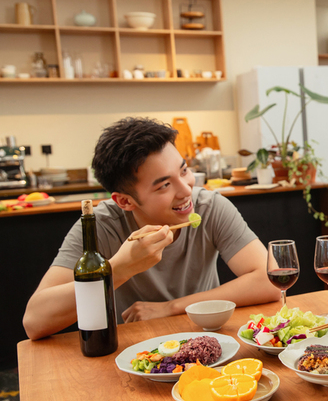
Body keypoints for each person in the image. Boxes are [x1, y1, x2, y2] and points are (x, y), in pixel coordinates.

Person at [23, 117, 280, 340]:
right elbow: (35, 321)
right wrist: (121, 267)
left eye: (184, 171)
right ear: (125, 201)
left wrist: (170, 308)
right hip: (136, 351)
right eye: (164, 185)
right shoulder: (102, 225)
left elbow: (270, 280)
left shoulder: (209, 206)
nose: (186, 189)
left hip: (208, 340)